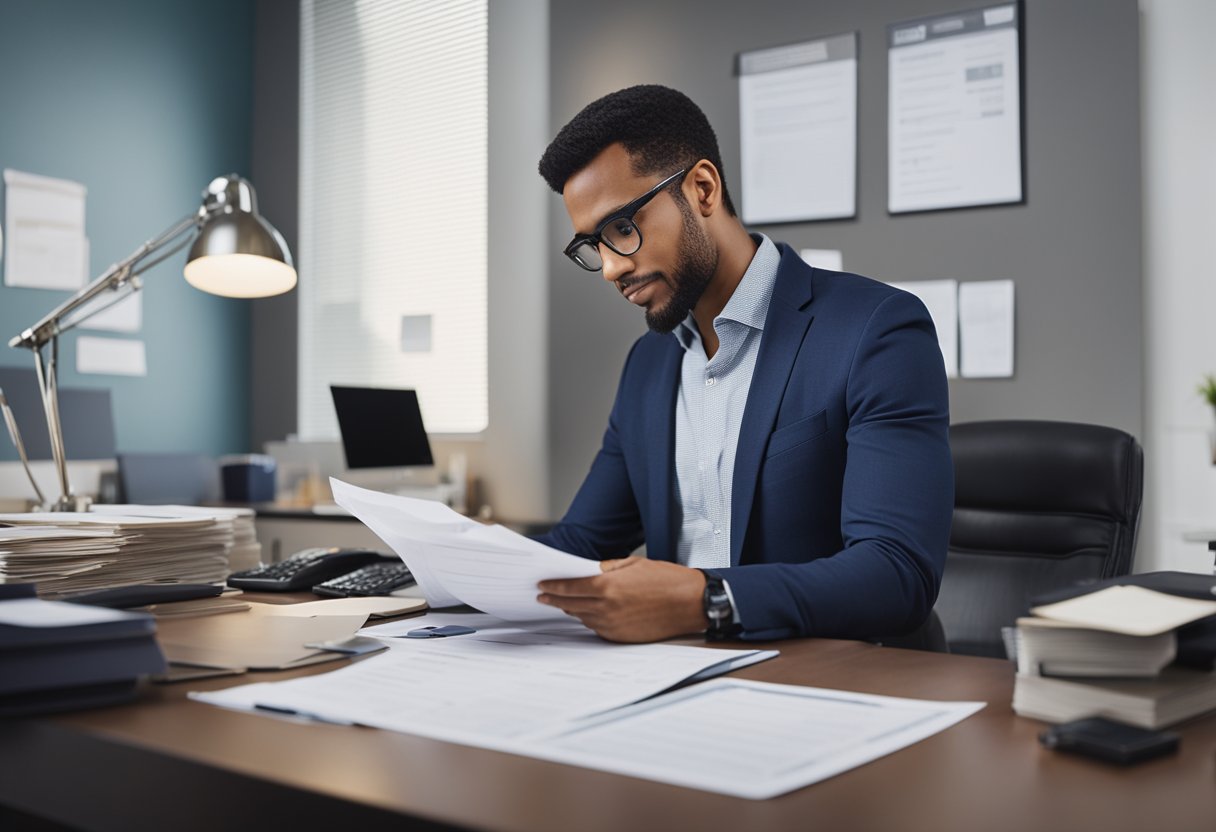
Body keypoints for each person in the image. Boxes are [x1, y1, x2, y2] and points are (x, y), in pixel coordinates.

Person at [533, 84, 952, 644]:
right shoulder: (648, 365)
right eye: (592, 244)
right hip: (674, 681)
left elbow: (897, 573)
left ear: (702, 188)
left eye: (622, 229)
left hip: (836, 683)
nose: (610, 268)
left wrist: (707, 600)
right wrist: (441, 567)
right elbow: (580, 543)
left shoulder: (876, 330)